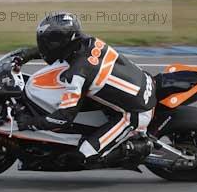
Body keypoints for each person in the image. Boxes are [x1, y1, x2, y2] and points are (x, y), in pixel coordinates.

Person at [12, 11, 156, 167]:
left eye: (47, 43)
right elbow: (60, 50)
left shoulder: (78, 74)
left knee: (85, 155)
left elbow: (63, 118)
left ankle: (139, 148)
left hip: (134, 113)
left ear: (61, 43)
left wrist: (30, 123)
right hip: (143, 82)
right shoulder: (88, 42)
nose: (44, 47)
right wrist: (28, 54)